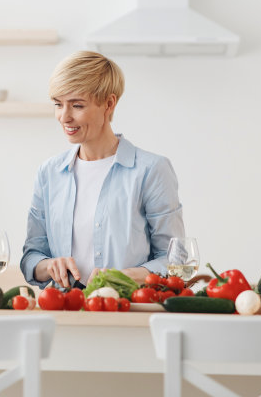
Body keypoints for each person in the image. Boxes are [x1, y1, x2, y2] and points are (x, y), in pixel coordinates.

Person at [20, 51, 185, 289]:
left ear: (109, 103)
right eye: (58, 104)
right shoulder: (49, 173)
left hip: (128, 312)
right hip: (64, 310)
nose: (64, 117)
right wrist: (48, 266)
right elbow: (32, 255)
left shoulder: (151, 171)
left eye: (77, 105)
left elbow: (175, 260)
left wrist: (124, 277)